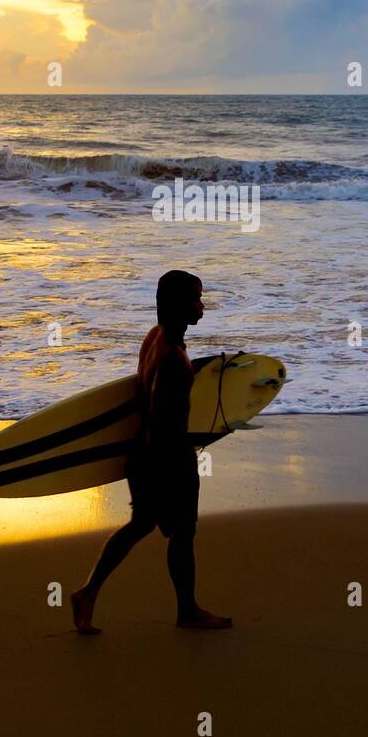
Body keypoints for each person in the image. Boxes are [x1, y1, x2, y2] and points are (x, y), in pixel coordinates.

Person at [71, 270, 233, 635]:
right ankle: (187, 611)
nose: (201, 306)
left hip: (143, 454)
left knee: (141, 525)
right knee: (183, 533)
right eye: (195, 299)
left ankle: (88, 593)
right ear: (177, 304)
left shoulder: (155, 337)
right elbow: (164, 421)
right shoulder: (173, 359)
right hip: (166, 458)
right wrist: (180, 463)